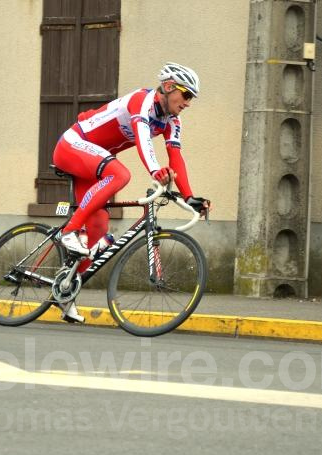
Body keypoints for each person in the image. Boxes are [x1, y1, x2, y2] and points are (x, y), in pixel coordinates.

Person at [51, 62, 211, 323]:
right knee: (121, 174)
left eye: (191, 97)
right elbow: (143, 139)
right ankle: (69, 231)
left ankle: (66, 292)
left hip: (94, 163)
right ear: (169, 87)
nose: (188, 103)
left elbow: (176, 157)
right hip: (73, 146)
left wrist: (189, 196)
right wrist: (155, 171)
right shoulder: (142, 102)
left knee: (97, 234)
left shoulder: (172, 122)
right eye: (186, 95)